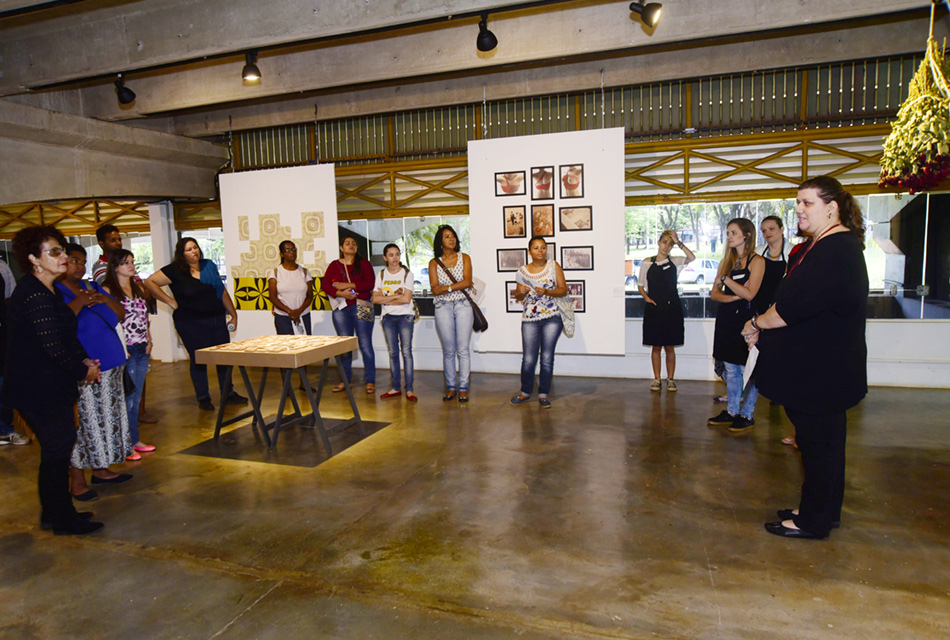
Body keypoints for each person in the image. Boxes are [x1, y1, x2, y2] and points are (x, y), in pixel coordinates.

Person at [743, 176, 869, 540]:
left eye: (807, 203)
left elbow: (789, 309)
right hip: (825, 370)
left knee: (817, 448)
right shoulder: (830, 246)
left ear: (832, 208)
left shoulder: (834, 251)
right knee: (824, 447)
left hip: (820, 374)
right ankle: (822, 511)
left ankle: (812, 521)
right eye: (797, 202)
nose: (799, 209)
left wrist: (754, 322)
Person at [4, 227, 103, 534]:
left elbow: (64, 334)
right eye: (54, 252)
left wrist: (84, 359)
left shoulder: (48, 289)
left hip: (48, 384)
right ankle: (59, 518)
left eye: (62, 250)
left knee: (58, 448)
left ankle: (57, 512)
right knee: (57, 449)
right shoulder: (34, 294)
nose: (63, 257)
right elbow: (52, 348)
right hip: (37, 388)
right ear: (34, 259)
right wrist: (81, 369)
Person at [57, 244, 133, 500]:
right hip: (84, 371)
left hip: (112, 366)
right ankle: (76, 480)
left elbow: (120, 315)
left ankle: (101, 469)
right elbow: (61, 325)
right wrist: (79, 301)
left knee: (107, 422)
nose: (78, 266)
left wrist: (105, 299)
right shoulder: (56, 292)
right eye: (73, 260)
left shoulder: (93, 285)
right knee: (83, 424)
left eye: (82, 261)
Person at [144, 237, 245, 412]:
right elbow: (149, 282)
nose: (194, 251)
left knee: (224, 358)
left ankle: (228, 393)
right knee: (198, 360)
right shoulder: (175, 270)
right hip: (190, 322)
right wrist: (170, 301)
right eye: (189, 249)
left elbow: (221, 291)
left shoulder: (208, 266)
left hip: (216, 319)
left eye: (195, 247)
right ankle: (203, 397)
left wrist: (233, 314)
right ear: (182, 254)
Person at [707, 218, 764, 433]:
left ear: (746, 235)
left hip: (746, 321)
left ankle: (746, 414)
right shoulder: (726, 262)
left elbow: (751, 293)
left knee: (746, 368)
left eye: (734, 232)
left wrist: (727, 282)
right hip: (726, 318)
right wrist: (732, 296)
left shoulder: (757, 261)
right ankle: (731, 411)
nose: (729, 236)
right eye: (728, 232)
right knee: (730, 369)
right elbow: (715, 294)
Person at [102, 249, 156, 461]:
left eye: (132, 262)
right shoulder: (109, 290)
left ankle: (134, 439)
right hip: (125, 349)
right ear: (115, 266)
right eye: (126, 263)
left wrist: (149, 340)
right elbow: (110, 322)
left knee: (136, 395)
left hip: (142, 347)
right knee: (128, 399)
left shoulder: (137, 287)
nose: (131, 266)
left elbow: (145, 318)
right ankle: (124, 443)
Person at [509, 236, 567, 408]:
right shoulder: (523, 271)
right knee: (528, 358)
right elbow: (517, 295)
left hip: (552, 317)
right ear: (529, 251)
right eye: (536, 248)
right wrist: (523, 292)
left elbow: (563, 290)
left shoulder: (553, 266)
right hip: (529, 318)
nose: (540, 251)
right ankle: (525, 392)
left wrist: (547, 291)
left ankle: (543, 394)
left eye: (543, 247)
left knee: (547, 357)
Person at [638, 229, 695, 391]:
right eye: (664, 242)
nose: (666, 247)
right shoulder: (647, 262)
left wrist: (679, 242)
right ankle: (657, 379)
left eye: (670, 245)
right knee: (656, 346)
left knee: (669, 346)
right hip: (654, 309)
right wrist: (647, 298)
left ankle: (670, 379)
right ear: (658, 242)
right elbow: (640, 285)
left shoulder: (675, 261)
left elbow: (692, 258)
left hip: (672, 309)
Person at [322, 234, 376, 394]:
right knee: (344, 346)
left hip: (362, 306)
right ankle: (345, 380)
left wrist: (348, 285)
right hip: (342, 309)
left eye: (353, 243)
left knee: (365, 344)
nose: (351, 245)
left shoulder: (364, 263)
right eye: (347, 243)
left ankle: (370, 381)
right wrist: (341, 293)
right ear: (341, 248)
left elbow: (369, 284)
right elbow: (326, 285)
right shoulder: (334, 265)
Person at [428, 225, 475, 403]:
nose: (452, 239)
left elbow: (467, 282)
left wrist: (446, 288)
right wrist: (456, 286)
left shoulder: (465, 258)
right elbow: (434, 289)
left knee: (463, 349)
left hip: (463, 305)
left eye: (453, 236)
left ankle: (463, 388)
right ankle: (451, 387)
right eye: (447, 236)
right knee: (448, 350)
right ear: (441, 242)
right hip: (442, 307)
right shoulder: (434, 263)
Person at [372, 244, 417, 402]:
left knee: (406, 352)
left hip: (405, 316)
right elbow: (375, 299)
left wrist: (387, 299)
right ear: (385, 257)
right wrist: (395, 296)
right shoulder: (381, 275)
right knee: (393, 353)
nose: (395, 258)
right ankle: (396, 388)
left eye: (397, 254)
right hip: (388, 318)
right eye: (391, 255)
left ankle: (409, 389)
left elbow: (406, 299)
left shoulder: (407, 274)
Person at [268, 240, 314, 335]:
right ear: (281, 254)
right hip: (283, 318)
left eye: (293, 249)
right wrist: (290, 312)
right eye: (288, 250)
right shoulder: (275, 273)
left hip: (303, 316)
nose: (292, 252)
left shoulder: (305, 272)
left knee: (306, 346)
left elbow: (310, 296)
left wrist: (299, 311)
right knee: (287, 348)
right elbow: (272, 297)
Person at [755, 215, 788, 315]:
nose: (767, 233)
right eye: (764, 231)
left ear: (782, 229)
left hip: (783, 303)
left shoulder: (792, 251)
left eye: (771, 229)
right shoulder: (758, 251)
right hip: (760, 303)